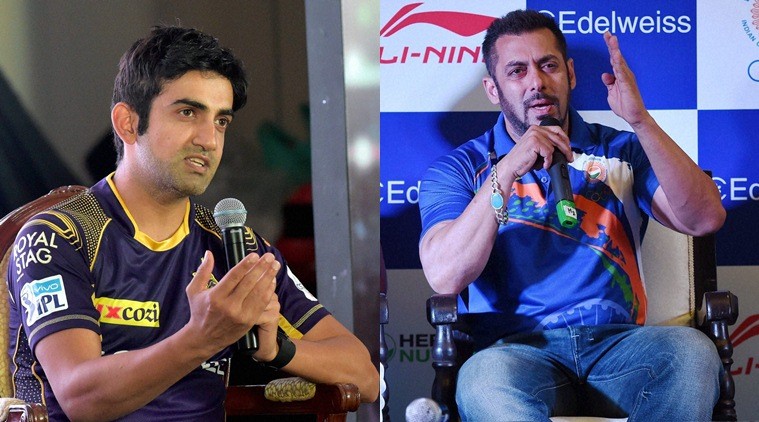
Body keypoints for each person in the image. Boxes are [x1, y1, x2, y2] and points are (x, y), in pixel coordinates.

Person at [7, 25, 378, 421]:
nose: (209, 140)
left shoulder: (234, 246)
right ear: (128, 123)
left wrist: (277, 350)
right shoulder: (56, 237)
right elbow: (81, 399)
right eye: (188, 113)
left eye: (221, 121)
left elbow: (365, 377)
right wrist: (201, 338)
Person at [418, 9, 725, 421]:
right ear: (493, 89)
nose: (537, 82)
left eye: (549, 65)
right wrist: (506, 170)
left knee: (692, 354)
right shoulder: (459, 169)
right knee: (482, 381)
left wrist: (641, 121)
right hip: (516, 353)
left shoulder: (621, 150)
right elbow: (445, 275)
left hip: (620, 349)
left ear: (571, 74)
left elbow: (704, 219)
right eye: (517, 71)